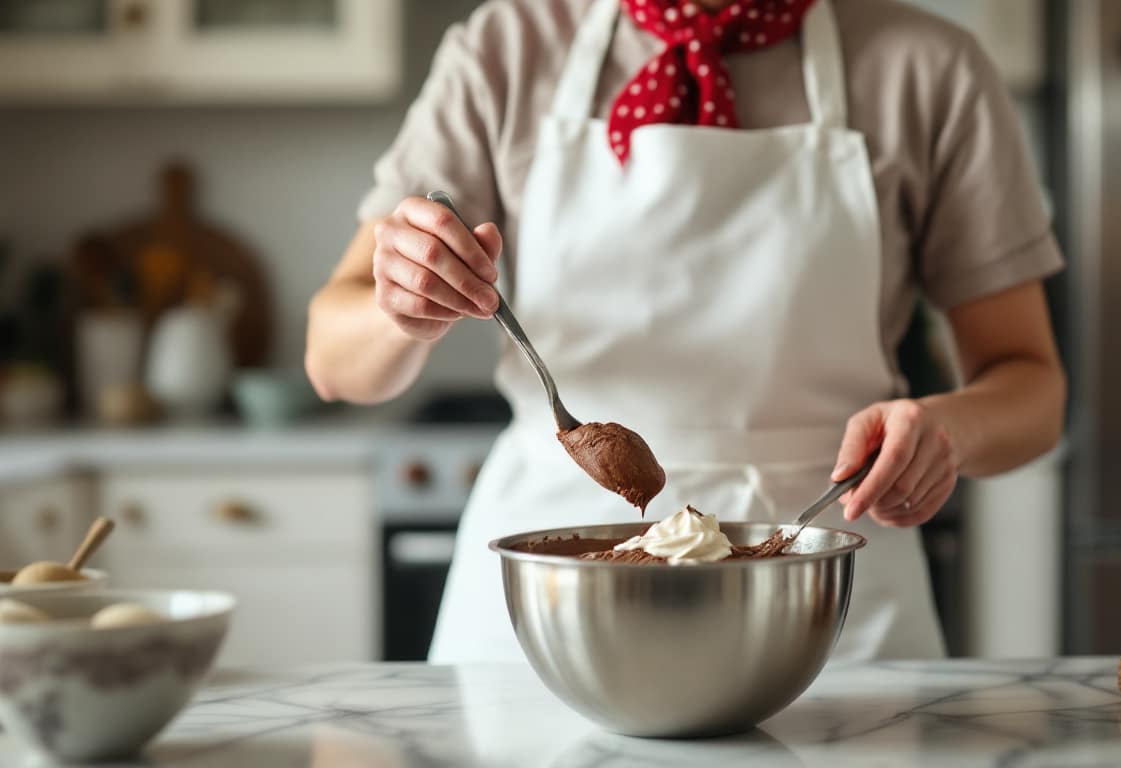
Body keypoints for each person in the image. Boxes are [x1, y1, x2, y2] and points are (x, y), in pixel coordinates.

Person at [306, 0, 1066, 663]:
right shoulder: (507, 50)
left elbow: (1032, 388)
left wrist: (946, 431)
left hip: (827, 601)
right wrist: (399, 307)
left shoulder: (925, 67)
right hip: (549, 612)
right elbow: (333, 361)